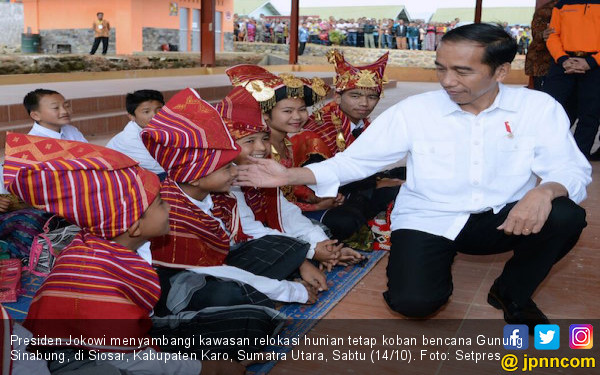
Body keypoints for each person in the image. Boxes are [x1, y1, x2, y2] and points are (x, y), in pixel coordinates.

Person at [235, 23, 592, 333]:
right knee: (414, 303)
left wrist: (544, 191)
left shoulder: (538, 108)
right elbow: (355, 162)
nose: (447, 81)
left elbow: (571, 169)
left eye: (462, 71)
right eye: (441, 69)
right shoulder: (416, 111)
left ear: (500, 71)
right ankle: (428, 262)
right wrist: (289, 173)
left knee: (566, 214)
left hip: (503, 217)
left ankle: (512, 291)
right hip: (430, 218)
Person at [4, 134, 247, 374]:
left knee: (247, 322)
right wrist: (207, 368)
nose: (171, 207)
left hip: (112, 345)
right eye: (161, 203)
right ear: (135, 226)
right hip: (73, 360)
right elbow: (131, 360)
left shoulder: (101, 246)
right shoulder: (95, 278)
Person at [140, 88, 325, 305]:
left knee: (291, 247)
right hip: (183, 282)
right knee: (228, 295)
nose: (235, 171)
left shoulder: (217, 195)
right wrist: (289, 291)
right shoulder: (172, 214)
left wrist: (308, 252)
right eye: (227, 168)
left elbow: (250, 232)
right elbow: (215, 269)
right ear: (194, 177)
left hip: (220, 261)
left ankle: (259, 295)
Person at [216, 86, 364, 271]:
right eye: (249, 141)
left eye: (265, 139)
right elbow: (248, 229)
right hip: (238, 243)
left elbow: (284, 211)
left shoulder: (260, 168)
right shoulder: (223, 177)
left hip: (266, 232)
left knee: (319, 233)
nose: (261, 148)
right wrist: (309, 251)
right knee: (278, 252)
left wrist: (322, 245)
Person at [291, 50, 404, 242]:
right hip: (324, 197)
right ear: (337, 97)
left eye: (372, 97)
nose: (364, 103)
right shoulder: (320, 129)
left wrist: (377, 181)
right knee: (347, 220)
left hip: (354, 187)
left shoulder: (364, 124)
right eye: (355, 96)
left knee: (405, 174)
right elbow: (318, 181)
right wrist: (376, 183)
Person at [543, 0, 600, 160]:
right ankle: (547, 154)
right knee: (551, 109)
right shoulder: (561, 5)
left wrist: (592, 62)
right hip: (562, 63)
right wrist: (563, 60)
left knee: (590, 113)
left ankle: (579, 159)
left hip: (595, 65)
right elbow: (553, 35)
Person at [106, 89, 166, 176]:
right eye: (146, 112)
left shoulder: (163, 127)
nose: (154, 116)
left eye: (159, 110)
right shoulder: (130, 138)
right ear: (132, 117)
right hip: (125, 177)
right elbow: (157, 167)